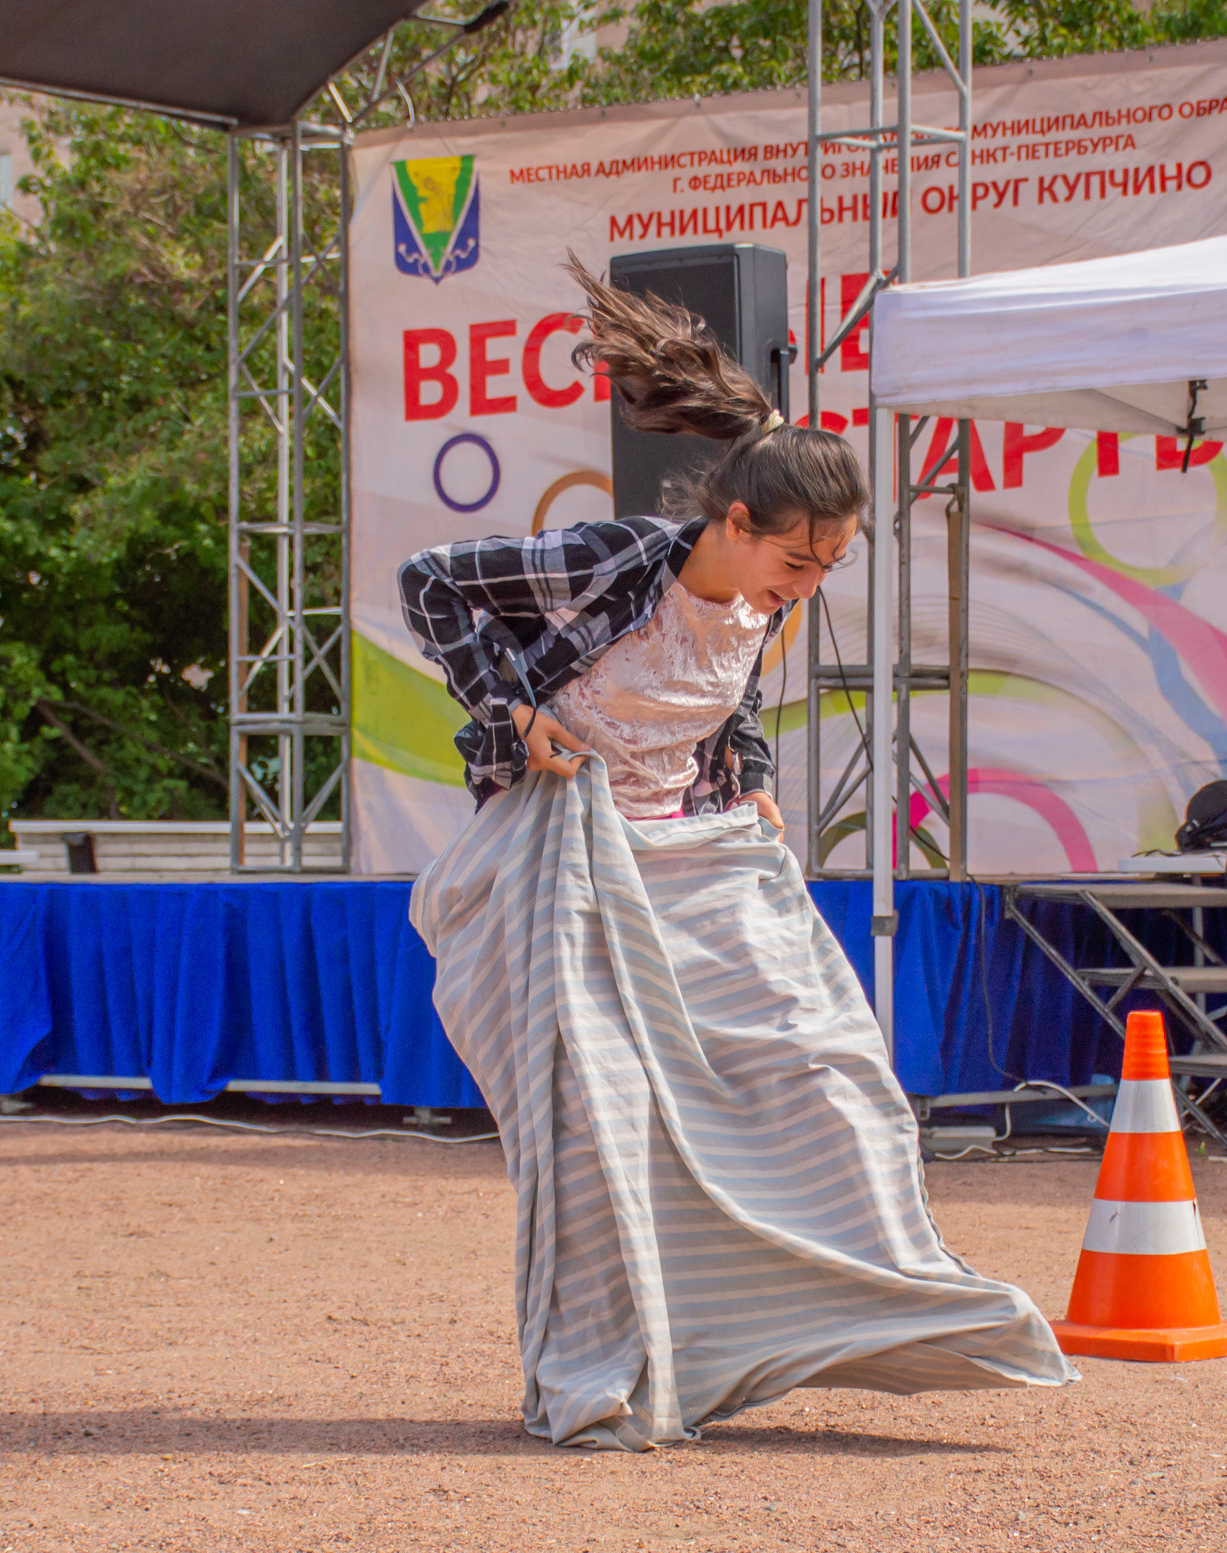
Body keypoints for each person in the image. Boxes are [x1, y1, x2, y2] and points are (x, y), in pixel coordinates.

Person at [398, 258, 1071, 1449]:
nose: (806, 587)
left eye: (826, 568)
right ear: (734, 522)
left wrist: (752, 784)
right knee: (602, 1116)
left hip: (692, 857)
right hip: (563, 858)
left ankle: (876, 1308)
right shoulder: (617, 562)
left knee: (833, 1072)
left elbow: (728, 704)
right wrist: (510, 707)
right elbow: (431, 583)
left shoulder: (764, 609)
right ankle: (617, 1366)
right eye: (795, 561)